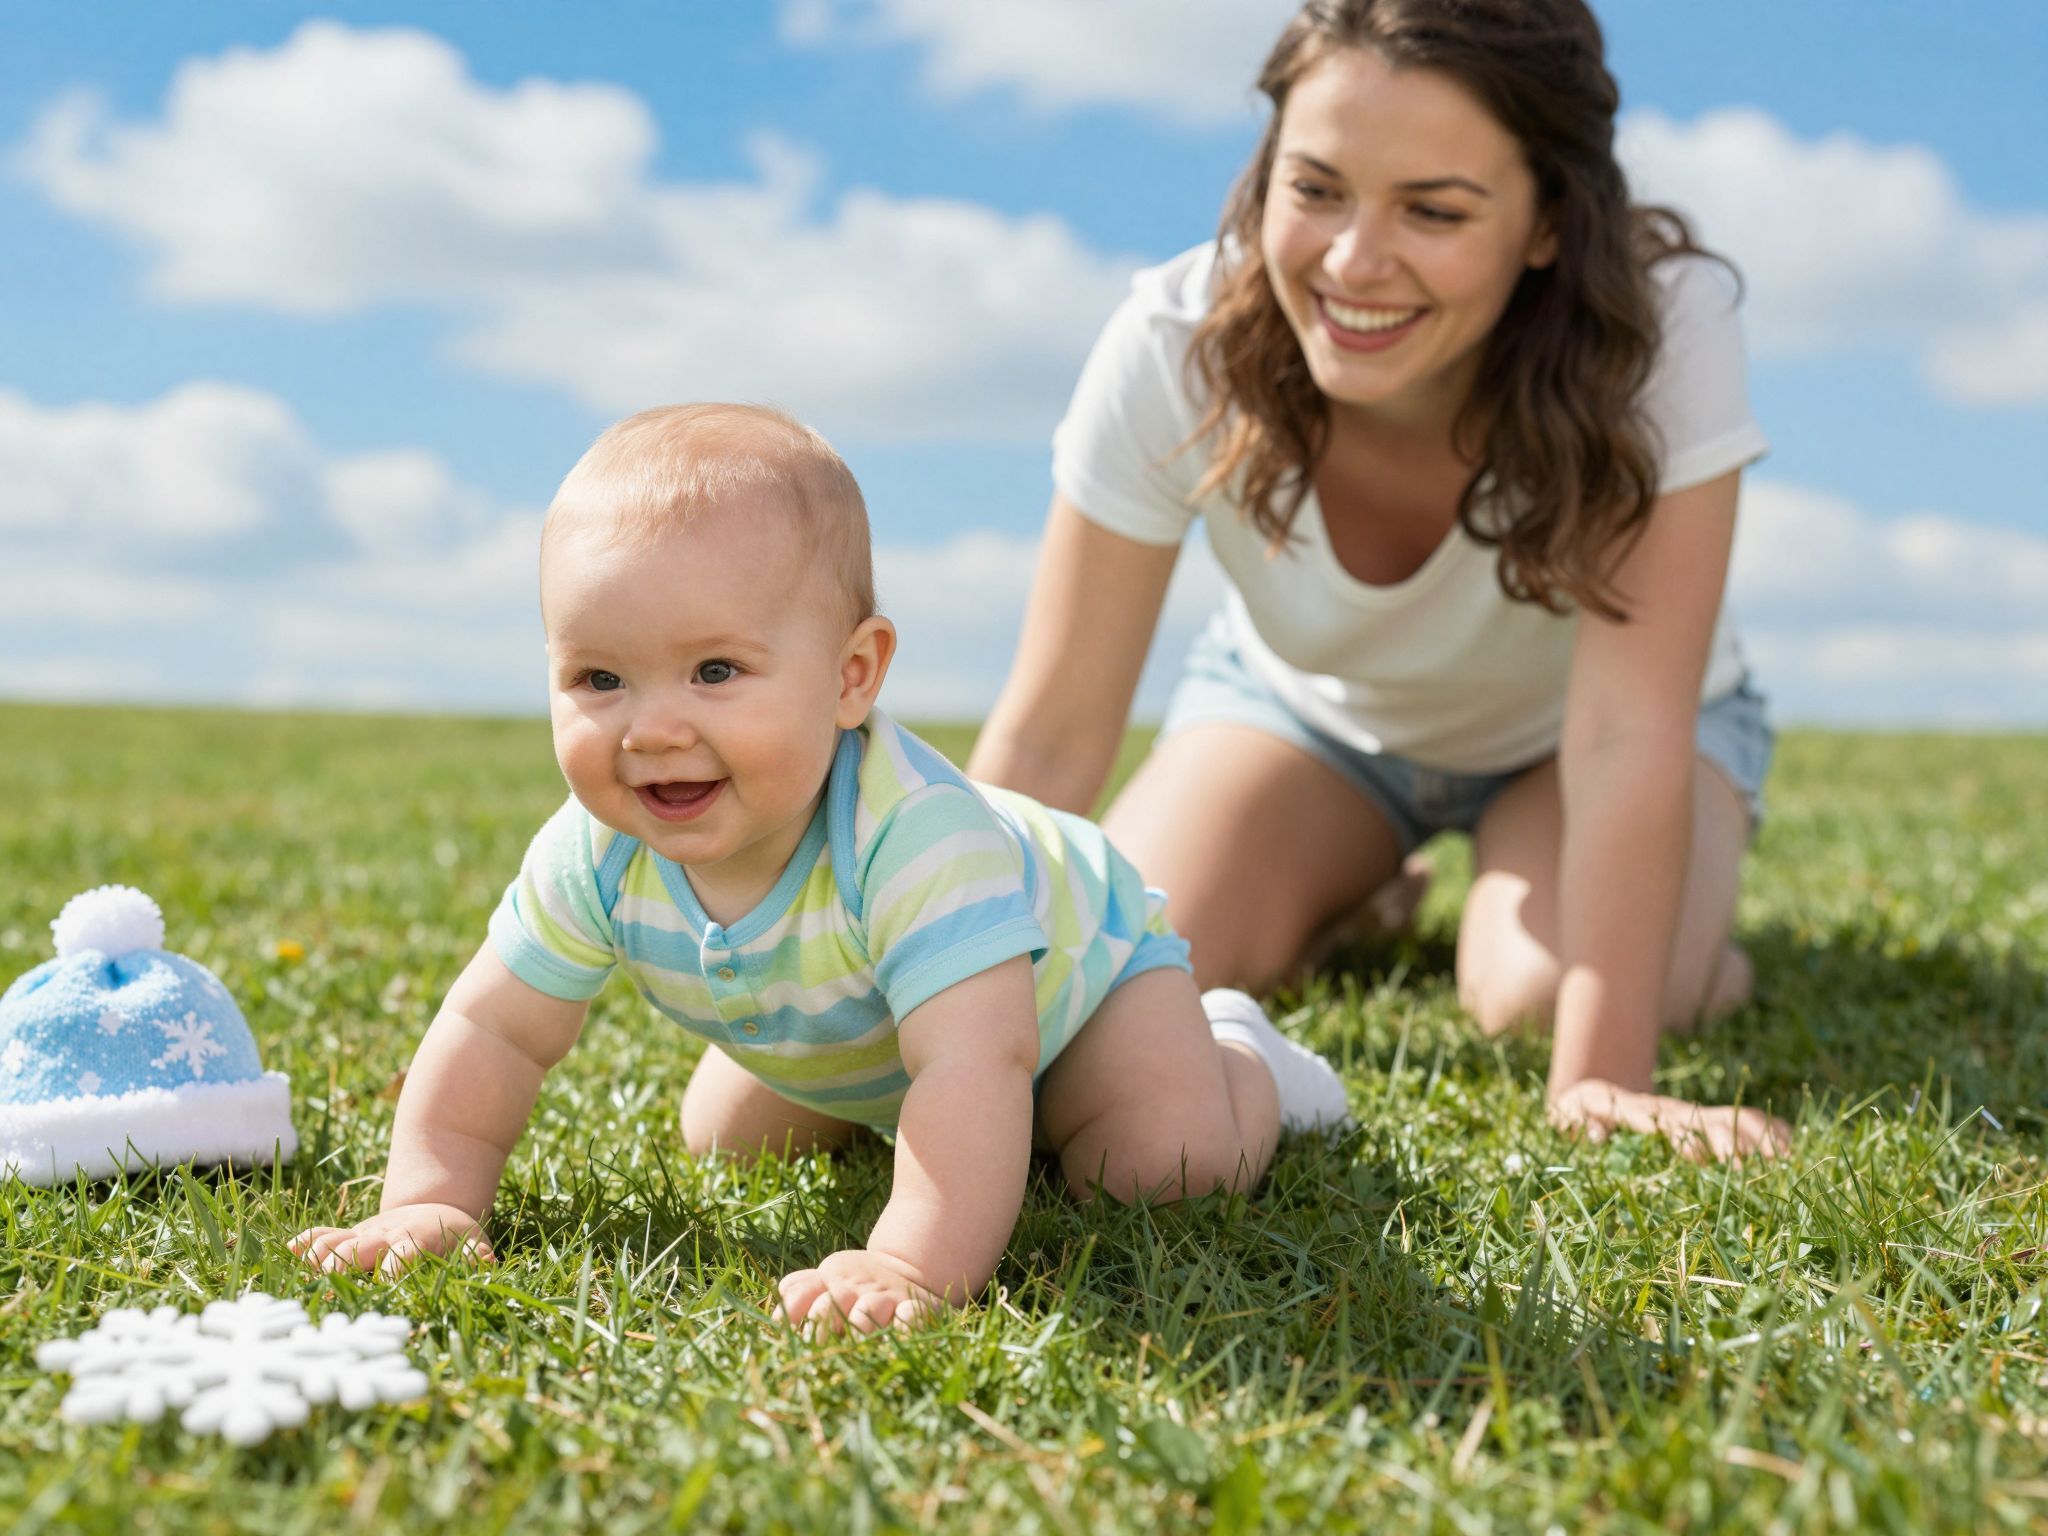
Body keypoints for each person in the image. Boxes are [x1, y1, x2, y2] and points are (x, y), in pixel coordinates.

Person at [290, 404, 1350, 1332]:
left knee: (1155, 1171)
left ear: (851, 677)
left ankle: (1237, 1054)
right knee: (723, 1143)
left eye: (714, 671)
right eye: (599, 677)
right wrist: (427, 1196)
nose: (652, 728)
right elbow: (493, 1027)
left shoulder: (916, 842)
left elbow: (970, 1062)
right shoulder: (596, 845)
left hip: (1079, 985)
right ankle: (924, 1115)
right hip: (872, 1029)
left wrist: (907, 1264)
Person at [966, 0, 1791, 1164]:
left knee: (1535, 997)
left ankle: (1700, 937)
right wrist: (910, 979)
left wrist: (1601, 1081)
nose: (1352, 262)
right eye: (1314, 190)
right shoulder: (1172, 342)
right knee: (1132, 979)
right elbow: (1049, 736)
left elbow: (1621, 732)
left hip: (1589, 736)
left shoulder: (1661, 331)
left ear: (1548, 221)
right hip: (1305, 716)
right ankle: (1350, 888)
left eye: (1434, 210)